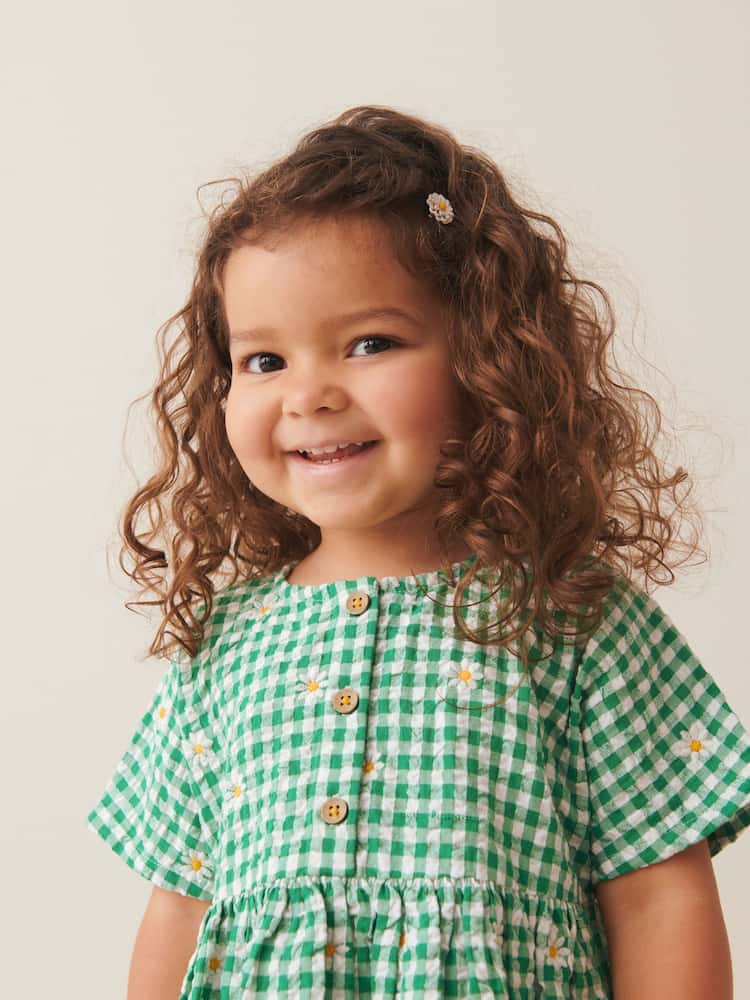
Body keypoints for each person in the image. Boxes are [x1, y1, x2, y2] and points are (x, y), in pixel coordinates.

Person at [86, 104, 749, 999]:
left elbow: (658, 900)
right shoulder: (224, 648)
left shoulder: (573, 617)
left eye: (370, 344)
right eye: (265, 361)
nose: (309, 395)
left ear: (487, 356)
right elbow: (179, 911)